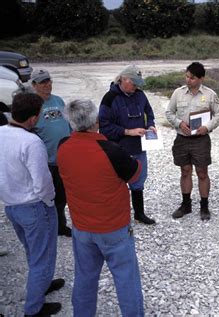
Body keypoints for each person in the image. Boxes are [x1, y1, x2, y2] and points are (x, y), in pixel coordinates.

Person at [57, 99, 145, 316]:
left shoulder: (63, 147)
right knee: (126, 280)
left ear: (72, 123)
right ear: (96, 121)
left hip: (82, 227)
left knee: (85, 278)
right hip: (114, 228)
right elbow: (136, 176)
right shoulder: (111, 150)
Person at [0, 93, 64, 316]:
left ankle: (42, 284)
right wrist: (49, 202)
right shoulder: (31, 142)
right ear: (34, 118)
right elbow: (43, 182)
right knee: (43, 257)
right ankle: (33, 309)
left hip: (11, 205)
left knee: (32, 252)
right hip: (34, 207)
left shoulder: (0, 133)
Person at [165, 62, 219, 220]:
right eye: (187, 76)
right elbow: (169, 112)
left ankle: (204, 207)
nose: (188, 80)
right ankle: (186, 204)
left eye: (192, 78)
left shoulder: (210, 94)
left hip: (201, 139)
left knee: (202, 173)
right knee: (185, 171)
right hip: (182, 139)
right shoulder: (178, 93)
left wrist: (207, 127)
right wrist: (179, 123)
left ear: (201, 78)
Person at [99, 65, 156, 225]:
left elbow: (149, 113)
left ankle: (139, 214)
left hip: (139, 147)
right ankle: (116, 216)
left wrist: (150, 125)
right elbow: (104, 126)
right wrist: (127, 131)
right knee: (116, 183)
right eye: (134, 83)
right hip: (118, 149)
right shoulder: (109, 98)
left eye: (138, 83)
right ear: (123, 79)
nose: (137, 86)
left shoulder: (140, 95)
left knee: (138, 181)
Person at [31, 69, 72, 237]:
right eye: (42, 82)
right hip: (45, 160)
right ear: (34, 85)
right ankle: (46, 226)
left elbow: (68, 124)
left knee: (62, 195)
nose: (47, 84)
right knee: (45, 196)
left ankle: (60, 225)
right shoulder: (32, 104)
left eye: (48, 80)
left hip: (64, 159)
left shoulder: (58, 100)